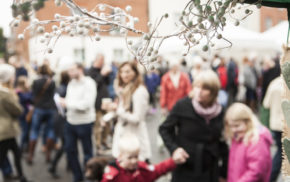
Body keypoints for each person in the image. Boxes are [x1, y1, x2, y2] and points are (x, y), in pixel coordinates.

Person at [159, 70, 228, 182]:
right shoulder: (183, 105)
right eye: (197, 87)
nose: (199, 92)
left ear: (214, 92)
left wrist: (223, 172)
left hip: (210, 170)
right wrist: (174, 149)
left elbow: (222, 142)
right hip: (186, 168)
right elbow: (165, 129)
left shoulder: (220, 111)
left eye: (205, 89)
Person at [107, 61, 151, 161]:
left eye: (127, 72)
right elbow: (123, 111)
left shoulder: (139, 91)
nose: (124, 75)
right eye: (122, 72)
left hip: (134, 139)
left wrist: (117, 110)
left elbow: (137, 118)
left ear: (135, 73)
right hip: (125, 137)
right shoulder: (126, 89)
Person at [59, 63, 97, 182]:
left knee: (87, 153)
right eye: (69, 70)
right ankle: (77, 176)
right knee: (70, 150)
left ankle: (89, 175)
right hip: (70, 122)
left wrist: (67, 103)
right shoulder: (71, 83)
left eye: (72, 70)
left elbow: (86, 105)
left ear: (80, 70)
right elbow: (70, 100)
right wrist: (63, 101)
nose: (69, 73)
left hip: (84, 122)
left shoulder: (89, 83)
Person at [101, 134, 185, 182]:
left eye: (136, 156)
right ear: (120, 156)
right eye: (130, 158)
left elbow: (156, 170)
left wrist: (173, 161)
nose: (134, 161)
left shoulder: (141, 168)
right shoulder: (113, 175)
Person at [225, 103, 272, 182]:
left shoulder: (257, 140)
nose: (233, 130)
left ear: (248, 122)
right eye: (231, 126)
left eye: (237, 126)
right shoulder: (238, 137)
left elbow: (256, 171)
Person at [0, 64, 31, 182]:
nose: (14, 78)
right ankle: (22, 177)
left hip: (6, 130)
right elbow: (18, 110)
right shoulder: (5, 94)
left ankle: (22, 178)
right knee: (4, 156)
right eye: (12, 76)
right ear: (8, 78)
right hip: (5, 130)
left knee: (16, 154)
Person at [27, 64, 56, 164]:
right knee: (50, 131)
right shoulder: (52, 82)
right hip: (50, 108)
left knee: (34, 131)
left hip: (39, 108)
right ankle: (48, 154)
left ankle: (31, 156)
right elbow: (53, 95)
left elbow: (33, 95)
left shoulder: (36, 81)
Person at [88, 54, 111, 153]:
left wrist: (107, 74)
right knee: (98, 125)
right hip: (97, 103)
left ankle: (104, 141)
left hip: (106, 101)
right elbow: (93, 85)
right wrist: (102, 74)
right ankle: (98, 146)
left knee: (107, 124)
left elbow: (107, 83)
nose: (103, 62)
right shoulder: (90, 71)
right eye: (102, 59)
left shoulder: (102, 71)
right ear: (97, 60)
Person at [48, 71, 70, 178]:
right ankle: (53, 166)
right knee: (65, 144)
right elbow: (62, 105)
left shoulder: (59, 87)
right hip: (62, 119)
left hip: (58, 118)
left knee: (67, 143)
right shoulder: (65, 89)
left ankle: (69, 165)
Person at [263, 77, 283, 182]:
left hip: (275, 124)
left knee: (281, 151)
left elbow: (266, 103)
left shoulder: (274, 83)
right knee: (281, 153)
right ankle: (271, 177)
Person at [15, 76, 32, 153]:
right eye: (27, 82)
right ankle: (20, 148)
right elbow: (27, 98)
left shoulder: (26, 91)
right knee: (25, 132)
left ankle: (26, 146)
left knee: (27, 131)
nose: (28, 83)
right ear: (23, 84)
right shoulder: (18, 92)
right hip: (23, 114)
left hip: (28, 113)